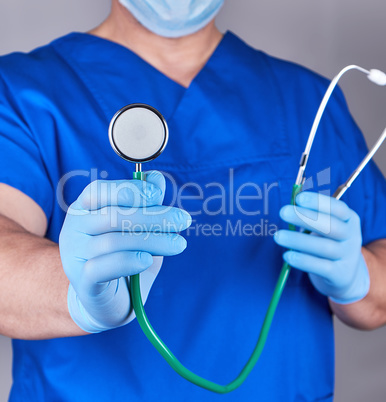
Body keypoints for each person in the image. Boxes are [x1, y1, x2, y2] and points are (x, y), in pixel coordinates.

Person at [0, 0, 385, 400]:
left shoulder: (308, 99)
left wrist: (359, 277)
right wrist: (75, 291)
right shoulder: (21, 92)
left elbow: (379, 292)